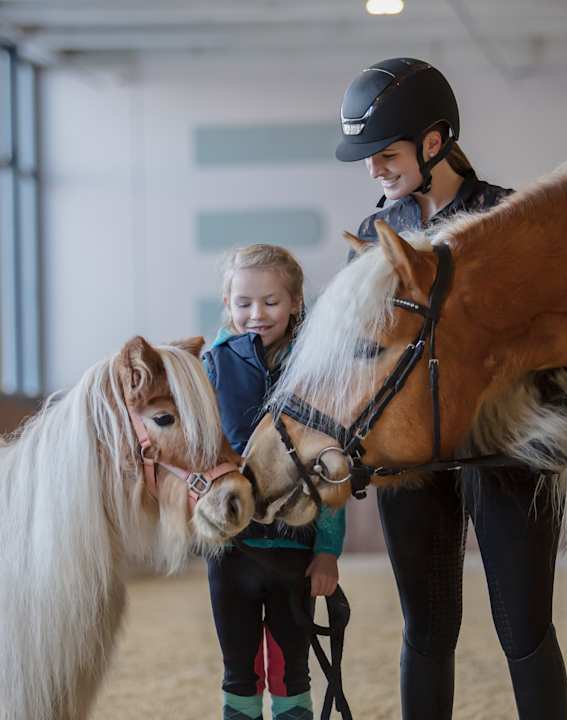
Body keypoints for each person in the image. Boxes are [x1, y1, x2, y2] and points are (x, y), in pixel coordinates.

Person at [335, 57, 567, 719]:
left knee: (525, 631)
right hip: (414, 454)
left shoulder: (509, 217)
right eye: (369, 159)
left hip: (505, 448)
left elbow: (552, 337)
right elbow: (361, 351)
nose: (373, 170)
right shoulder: (378, 232)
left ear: (434, 143)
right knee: (427, 630)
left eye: (384, 154)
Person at [202, 244, 347, 720]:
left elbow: (328, 468)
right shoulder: (211, 366)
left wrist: (327, 549)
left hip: (294, 553)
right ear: (228, 305)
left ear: (295, 304)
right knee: (238, 671)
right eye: (243, 303)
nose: (256, 314)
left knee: (291, 671)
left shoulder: (315, 368)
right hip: (230, 552)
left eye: (271, 302)